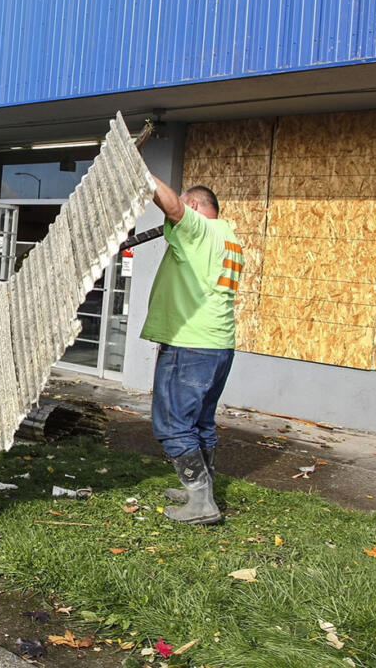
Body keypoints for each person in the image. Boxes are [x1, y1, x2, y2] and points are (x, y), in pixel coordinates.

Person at [139, 176, 243, 525]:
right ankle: (203, 489)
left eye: (187, 206)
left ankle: (201, 504)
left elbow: (171, 205)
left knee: (172, 423)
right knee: (200, 423)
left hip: (190, 344)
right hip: (218, 346)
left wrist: (139, 169)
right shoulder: (228, 236)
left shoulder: (199, 229)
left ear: (196, 207)